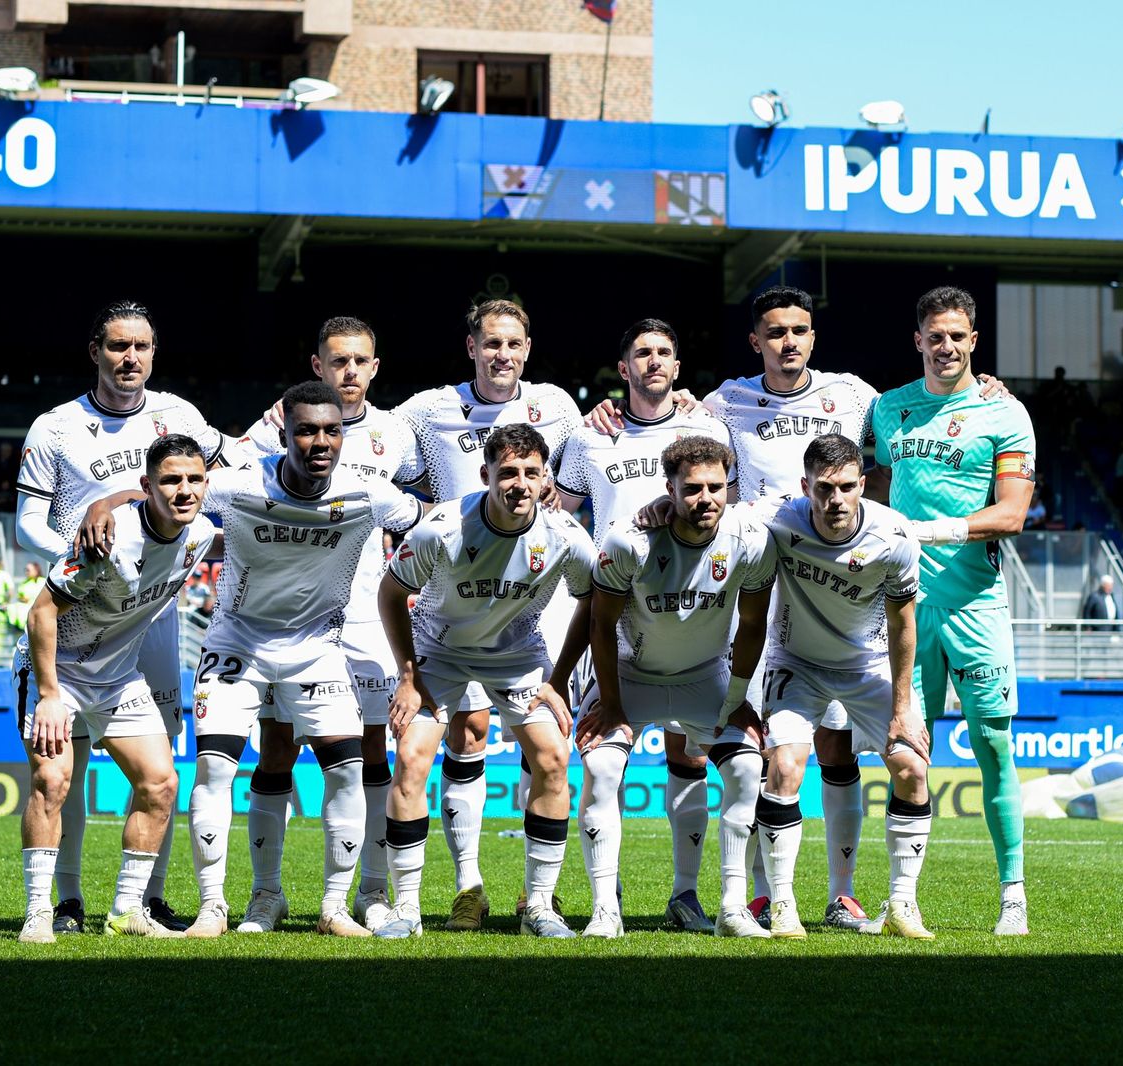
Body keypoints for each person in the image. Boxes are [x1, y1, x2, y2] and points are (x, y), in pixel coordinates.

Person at [16, 299, 229, 936]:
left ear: (154, 353)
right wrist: (86, 556)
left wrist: (120, 498)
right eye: (116, 346)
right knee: (63, 770)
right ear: (96, 352)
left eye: (140, 346)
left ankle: (144, 901)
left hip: (147, 625)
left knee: (160, 772)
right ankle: (63, 901)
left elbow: (215, 484)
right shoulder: (55, 427)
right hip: (79, 605)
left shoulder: (180, 417)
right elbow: (27, 522)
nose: (129, 357)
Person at [182, 381, 423, 939]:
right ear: (284, 434)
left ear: (344, 434)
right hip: (237, 641)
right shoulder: (241, 482)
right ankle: (224, 905)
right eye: (307, 430)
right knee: (216, 768)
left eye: (332, 430)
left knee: (348, 769)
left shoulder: (370, 491)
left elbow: (429, 518)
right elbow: (169, 492)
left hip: (317, 648)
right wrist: (108, 501)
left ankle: (335, 907)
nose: (321, 441)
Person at [386, 300, 582, 931]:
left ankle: (540, 906)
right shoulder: (427, 412)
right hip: (443, 630)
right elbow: (367, 454)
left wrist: (560, 674)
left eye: (514, 343)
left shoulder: (559, 409)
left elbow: (599, 593)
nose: (503, 353)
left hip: (519, 637)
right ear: (471, 346)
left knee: (551, 760)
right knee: (429, 753)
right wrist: (408, 673)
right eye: (491, 342)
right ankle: (420, 904)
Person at [555, 319, 734, 933]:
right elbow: (559, 509)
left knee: (689, 760)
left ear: (678, 367)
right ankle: (606, 900)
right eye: (641, 354)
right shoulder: (588, 435)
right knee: (603, 761)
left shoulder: (706, 427)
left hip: (695, 620)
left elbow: (723, 503)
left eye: (664, 353)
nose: (653, 362)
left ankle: (686, 898)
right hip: (617, 621)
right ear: (623, 367)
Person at [870, 285, 1036, 936]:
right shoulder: (888, 410)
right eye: (934, 336)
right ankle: (902, 901)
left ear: (974, 340)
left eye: (957, 336)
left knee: (994, 747)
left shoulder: (1005, 415)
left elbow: (1014, 513)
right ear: (919, 341)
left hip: (976, 605)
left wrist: (933, 531)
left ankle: (1013, 895)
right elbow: (873, 493)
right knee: (907, 752)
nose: (946, 347)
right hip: (906, 607)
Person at [575, 437, 773, 938]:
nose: (705, 498)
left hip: (705, 677)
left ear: (730, 486)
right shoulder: (629, 539)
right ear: (669, 489)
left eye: (715, 487)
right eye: (692, 489)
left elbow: (752, 626)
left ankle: (729, 907)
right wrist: (614, 706)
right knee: (600, 766)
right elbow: (600, 625)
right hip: (631, 675)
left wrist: (737, 701)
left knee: (748, 769)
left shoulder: (750, 538)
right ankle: (605, 908)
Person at [750, 434, 933, 940]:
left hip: (866, 664)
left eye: (847, 487)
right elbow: (714, 515)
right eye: (824, 489)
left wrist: (902, 709)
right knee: (785, 766)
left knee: (912, 767)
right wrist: (659, 505)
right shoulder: (779, 519)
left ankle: (902, 905)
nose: (836, 500)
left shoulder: (893, 537)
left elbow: (903, 625)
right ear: (805, 486)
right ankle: (782, 903)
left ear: (863, 485)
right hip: (796, 662)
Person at [8, 561, 43, 630]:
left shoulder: (43, 581)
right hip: (25, 616)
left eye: (28, 570)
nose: (26, 572)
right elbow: (20, 597)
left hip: (40, 614)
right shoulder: (23, 583)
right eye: (25, 570)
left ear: (36, 570)